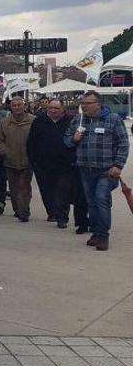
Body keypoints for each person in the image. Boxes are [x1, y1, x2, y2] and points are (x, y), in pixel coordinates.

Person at [64, 91, 129, 251]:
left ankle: (103, 235)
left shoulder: (113, 119)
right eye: (83, 103)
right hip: (85, 169)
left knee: (101, 200)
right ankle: (95, 232)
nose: (84, 106)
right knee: (91, 203)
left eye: (88, 103)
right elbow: (66, 140)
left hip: (106, 171)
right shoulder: (78, 120)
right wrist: (74, 139)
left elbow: (123, 144)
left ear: (98, 104)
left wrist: (118, 166)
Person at [27, 99, 87, 230]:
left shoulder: (70, 121)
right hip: (43, 164)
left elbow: (75, 140)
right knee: (46, 190)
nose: (53, 111)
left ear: (63, 110)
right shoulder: (39, 122)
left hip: (64, 163)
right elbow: (31, 142)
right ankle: (52, 212)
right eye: (50, 108)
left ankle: (62, 217)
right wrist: (33, 160)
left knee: (62, 191)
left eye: (56, 108)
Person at [0, 97, 36, 222]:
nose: (17, 107)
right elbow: (0, 140)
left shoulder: (33, 121)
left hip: (27, 160)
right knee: (14, 189)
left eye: (19, 105)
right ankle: (17, 209)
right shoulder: (5, 123)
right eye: (14, 105)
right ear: (11, 107)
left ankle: (24, 212)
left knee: (24, 187)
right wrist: (4, 150)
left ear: (24, 106)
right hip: (10, 160)